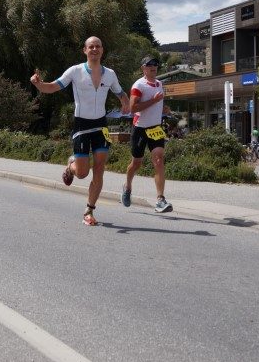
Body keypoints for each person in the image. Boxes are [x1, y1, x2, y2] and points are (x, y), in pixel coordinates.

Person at [31, 36, 130, 226]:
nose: (94, 49)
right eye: (91, 46)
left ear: (102, 50)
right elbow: (53, 86)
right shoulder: (75, 71)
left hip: (101, 125)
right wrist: (38, 84)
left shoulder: (110, 74)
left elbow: (119, 92)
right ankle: (71, 165)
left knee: (100, 168)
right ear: (85, 50)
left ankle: (89, 210)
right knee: (83, 173)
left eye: (98, 46)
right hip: (82, 125)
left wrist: (125, 101)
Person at [121, 56, 173, 214]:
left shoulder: (159, 84)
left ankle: (160, 199)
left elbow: (157, 104)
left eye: (156, 64)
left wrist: (164, 109)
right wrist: (154, 101)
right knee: (136, 163)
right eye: (149, 65)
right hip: (140, 129)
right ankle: (127, 186)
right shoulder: (138, 85)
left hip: (155, 128)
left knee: (158, 160)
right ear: (143, 68)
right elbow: (133, 108)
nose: (153, 67)